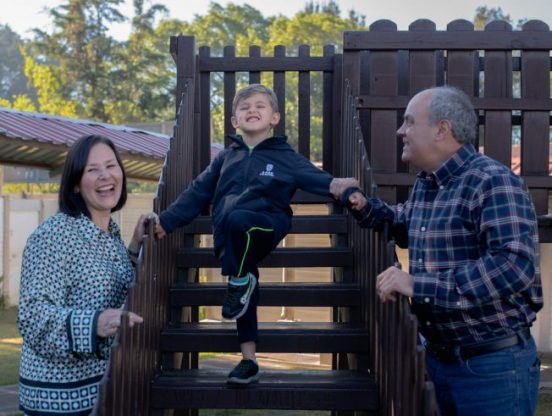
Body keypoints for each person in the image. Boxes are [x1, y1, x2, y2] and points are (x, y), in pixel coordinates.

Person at [334, 86, 543, 415]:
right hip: (439, 361)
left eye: (409, 121)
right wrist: (360, 203)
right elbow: (403, 222)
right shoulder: (428, 184)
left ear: (442, 129)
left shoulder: (492, 181)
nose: (401, 130)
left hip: (491, 368)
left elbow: (513, 267)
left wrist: (418, 286)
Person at [153, 83, 351, 385]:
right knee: (243, 282)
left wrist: (343, 187)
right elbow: (197, 193)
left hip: (266, 225)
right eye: (244, 108)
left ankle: (240, 280)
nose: (252, 111)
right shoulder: (225, 158)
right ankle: (249, 361)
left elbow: (318, 179)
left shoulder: (284, 156)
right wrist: (165, 222)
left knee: (240, 233)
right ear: (234, 121)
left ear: (274, 117)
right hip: (231, 233)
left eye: (260, 106)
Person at [17, 134, 150, 415]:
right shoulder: (55, 234)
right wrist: (96, 322)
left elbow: (105, 284)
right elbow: (31, 316)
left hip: (101, 391)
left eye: (111, 166)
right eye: (92, 170)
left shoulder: (109, 233)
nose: (105, 175)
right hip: (61, 400)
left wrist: (135, 246)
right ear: (76, 184)